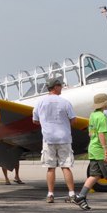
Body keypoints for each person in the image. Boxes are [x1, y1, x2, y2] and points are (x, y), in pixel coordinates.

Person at [31, 76, 79, 204]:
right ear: (56, 87)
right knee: (66, 166)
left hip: (48, 138)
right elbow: (74, 120)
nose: (62, 87)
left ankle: (50, 194)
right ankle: (72, 193)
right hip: (64, 138)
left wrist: (45, 123)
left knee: (50, 168)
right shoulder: (65, 102)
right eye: (60, 85)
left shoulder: (40, 102)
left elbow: (35, 120)